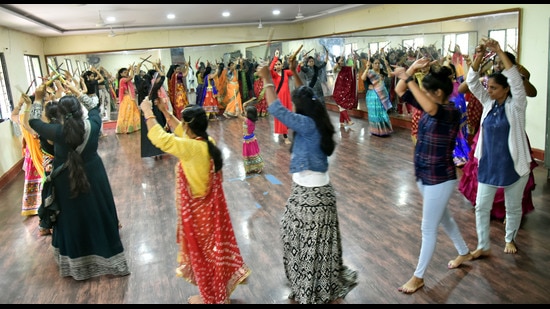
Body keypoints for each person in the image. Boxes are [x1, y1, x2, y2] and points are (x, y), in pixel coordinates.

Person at [256, 57, 358, 304]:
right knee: (294, 233)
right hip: (308, 192)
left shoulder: (307, 124)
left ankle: (313, 284)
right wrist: (293, 74)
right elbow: (306, 93)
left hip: (313, 197)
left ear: (300, 107)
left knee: (309, 245)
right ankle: (304, 276)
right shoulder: (317, 117)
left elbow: (277, 110)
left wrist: (267, 80)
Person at [139, 100, 251, 304]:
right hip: (210, 211)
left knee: (203, 257)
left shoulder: (191, 148)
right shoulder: (206, 142)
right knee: (211, 255)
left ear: (188, 125)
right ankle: (218, 293)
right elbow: (181, 131)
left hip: (198, 216)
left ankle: (209, 297)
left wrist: (148, 112)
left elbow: (160, 138)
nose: (182, 127)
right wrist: (166, 112)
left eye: (184, 123)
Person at [27, 80, 130, 280]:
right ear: (79, 111)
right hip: (94, 174)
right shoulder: (93, 124)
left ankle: (77, 263)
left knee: (71, 217)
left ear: (58, 115)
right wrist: (76, 91)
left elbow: (33, 122)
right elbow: (95, 106)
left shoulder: (55, 132)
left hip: (65, 180)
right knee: (98, 210)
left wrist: (38, 98)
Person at [394, 58, 472, 294]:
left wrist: (409, 79)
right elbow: (400, 92)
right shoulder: (430, 106)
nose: (423, 95)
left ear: (438, 92)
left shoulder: (450, 111)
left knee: (428, 228)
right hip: (425, 175)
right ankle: (464, 251)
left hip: (441, 178)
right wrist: (411, 71)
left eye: (427, 91)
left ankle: (418, 277)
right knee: (444, 219)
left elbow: (430, 108)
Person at [465, 39, 532, 257]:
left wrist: (499, 51)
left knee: (513, 207)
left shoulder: (517, 105)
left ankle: (509, 238)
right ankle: (483, 244)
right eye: (489, 88)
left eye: (494, 88)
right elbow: (472, 82)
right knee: (481, 207)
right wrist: (480, 55)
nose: (489, 91)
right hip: (489, 165)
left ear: (506, 89)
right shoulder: (488, 104)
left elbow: (514, 78)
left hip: (513, 166)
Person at [137, 65, 168, 160]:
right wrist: (158, 67)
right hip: (155, 109)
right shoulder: (154, 87)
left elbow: (136, 77)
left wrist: (138, 68)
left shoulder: (140, 85)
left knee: (149, 130)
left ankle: (153, 152)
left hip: (145, 110)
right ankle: (160, 151)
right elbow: (163, 76)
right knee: (158, 127)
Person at [360, 54, 393, 137]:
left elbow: (390, 75)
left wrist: (387, 65)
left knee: (382, 112)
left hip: (382, 95)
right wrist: (367, 67)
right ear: (372, 64)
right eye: (375, 63)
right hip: (373, 95)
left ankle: (384, 130)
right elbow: (363, 78)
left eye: (378, 63)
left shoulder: (382, 72)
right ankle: (376, 131)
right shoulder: (370, 72)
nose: (377, 65)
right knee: (375, 113)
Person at [269, 49, 294, 144]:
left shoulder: (286, 72)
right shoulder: (274, 75)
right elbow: (269, 69)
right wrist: (275, 58)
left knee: (287, 115)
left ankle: (284, 132)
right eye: (276, 64)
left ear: (282, 65)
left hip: (287, 97)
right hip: (279, 98)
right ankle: (285, 136)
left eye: (279, 64)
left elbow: (295, 70)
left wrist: (292, 61)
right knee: (282, 116)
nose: (277, 66)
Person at [115, 64, 142, 134]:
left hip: (128, 97)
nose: (126, 73)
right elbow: (131, 77)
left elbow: (129, 76)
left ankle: (133, 126)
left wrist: (129, 69)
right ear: (120, 74)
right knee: (128, 113)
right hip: (126, 98)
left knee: (132, 112)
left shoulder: (123, 79)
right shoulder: (122, 80)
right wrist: (132, 70)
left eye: (126, 72)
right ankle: (127, 128)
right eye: (124, 72)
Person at [332, 55, 357, 127]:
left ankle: (341, 122)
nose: (342, 62)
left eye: (343, 60)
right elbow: (334, 68)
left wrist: (355, 61)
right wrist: (338, 63)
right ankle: (348, 120)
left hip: (344, 91)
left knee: (341, 106)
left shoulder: (346, 69)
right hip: (337, 91)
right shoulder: (336, 69)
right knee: (341, 106)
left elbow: (353, 68)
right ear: (337, 61)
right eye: (341, 60)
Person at [238, 104, 264, 174]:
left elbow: (239, 116)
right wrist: (243, 106)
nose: (244, 113)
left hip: (249, 141)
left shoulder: (248, 121)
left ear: (249, 114)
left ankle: (259, 167)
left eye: (246, 112)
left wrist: (237, 109)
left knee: (253, 154)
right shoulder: (249, 120)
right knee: (249, 154)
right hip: (247, 140)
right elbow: (243, 114)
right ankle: (251, 167)